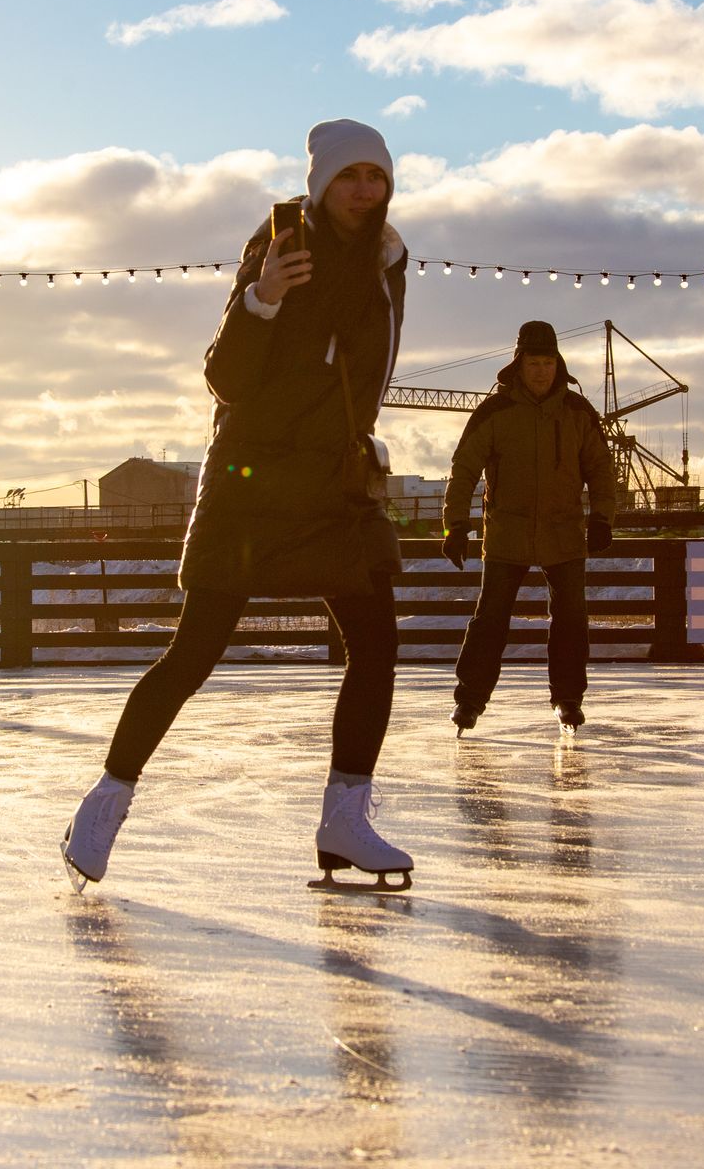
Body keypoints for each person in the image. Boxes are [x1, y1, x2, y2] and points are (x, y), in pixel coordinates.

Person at [61, 119, 414, 894]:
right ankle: (106, 798)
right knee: (194, 654)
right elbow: (227, 380)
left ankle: (345, 816)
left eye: (377, 176)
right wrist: (261, 300)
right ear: (321, 184)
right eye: (350, 176)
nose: (365, 190)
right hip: (253, 482)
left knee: (378, 641)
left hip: (335, 485)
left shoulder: (389, 261)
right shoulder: (281, 247)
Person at [441, 320, 618, 733]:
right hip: (508, 533)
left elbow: (601, 469)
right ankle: (469, 700)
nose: (541, 370)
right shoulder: (495, 412)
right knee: (491, 618)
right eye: (533, 362)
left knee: (572, 617)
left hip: (564, 533)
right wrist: (456, 525)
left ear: (558, 364)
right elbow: (463, 469)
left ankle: (569, 699)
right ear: (518, 364)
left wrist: (602, 518)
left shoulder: (577, 412)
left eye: (548, 362)